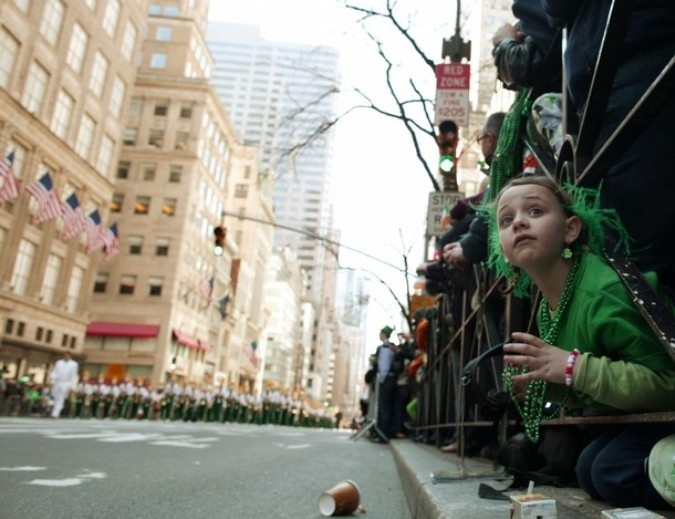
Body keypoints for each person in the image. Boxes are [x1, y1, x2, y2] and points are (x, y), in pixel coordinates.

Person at [490, 175, 675, 509]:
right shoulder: (550, 305)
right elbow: (593, 382)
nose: (518, 222)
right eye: (506, 219)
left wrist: (572, 367)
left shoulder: (602, 291)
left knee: (611, 471)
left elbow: (668, 383)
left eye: (534, 211)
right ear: (503, 249)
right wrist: (547, 385)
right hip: (638, 414)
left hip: (664, 408)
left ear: (571, 229)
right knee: (588, 467)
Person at [375, 325, 397, 441]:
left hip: (387, 380)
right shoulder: (390, 347)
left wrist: (381, 380)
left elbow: (384, 366)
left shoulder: (386, 347)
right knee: (385, 407)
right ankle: (381, 433)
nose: (379, 335)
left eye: (381, 333)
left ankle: (383, 435)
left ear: (384, 334)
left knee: (384, 408)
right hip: (389, 380)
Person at [48, 351, 79, 419]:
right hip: (57, 382)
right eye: (65, 355)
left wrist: (72, 386)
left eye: (68, 355)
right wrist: (52, 379)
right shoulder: (59, 362)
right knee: (55, 397)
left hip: (66, 383)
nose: (66, 356)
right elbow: (54, 372)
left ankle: (55, 413)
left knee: (60, 397)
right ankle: (56, 410)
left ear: (70, 356)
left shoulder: (74, 364)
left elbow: (73, 376)